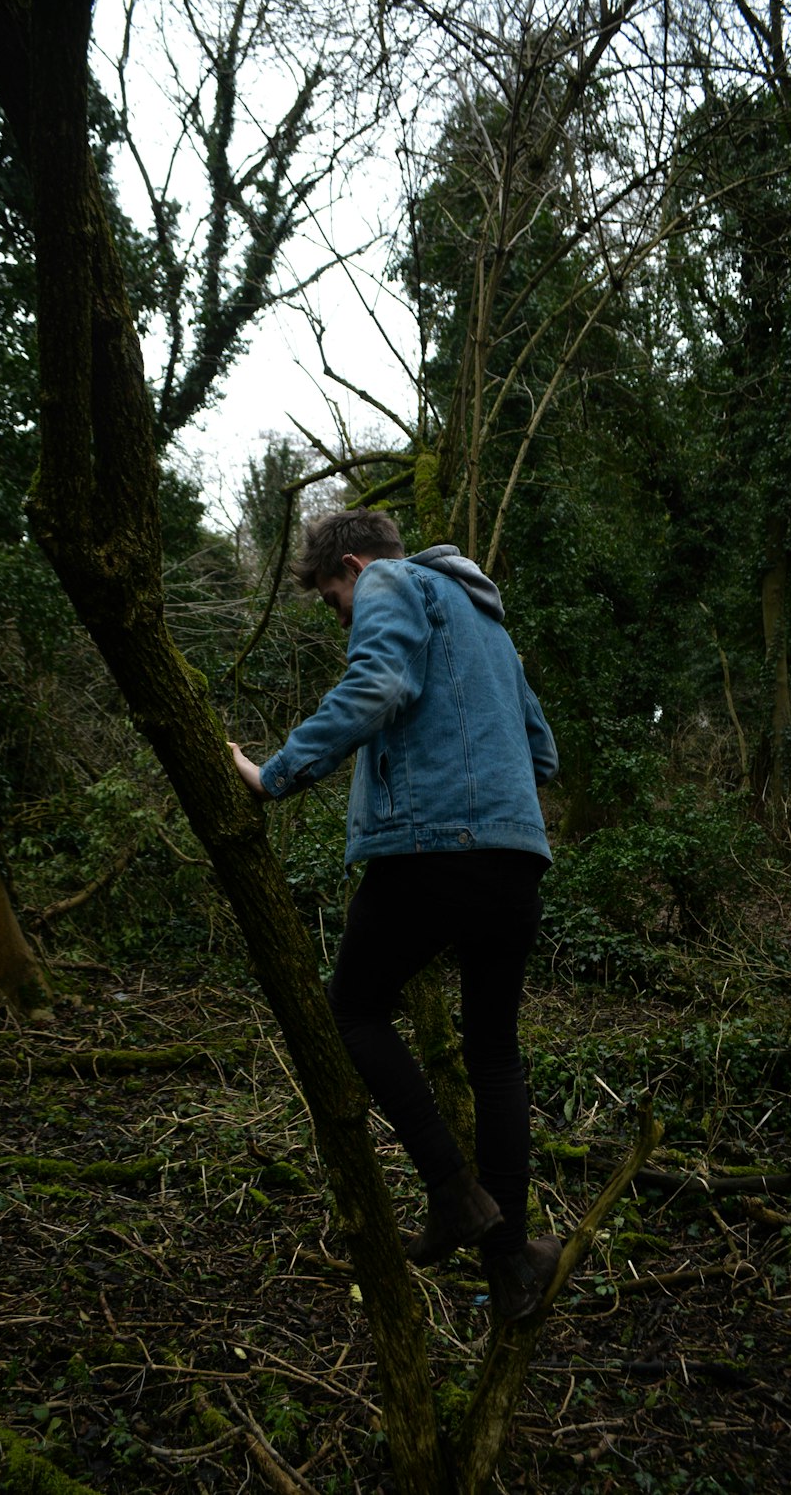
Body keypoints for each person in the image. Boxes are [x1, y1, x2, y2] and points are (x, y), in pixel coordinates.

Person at [230, 510, 561, 1320]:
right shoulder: (486, 617)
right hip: (516, 856)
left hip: (433, 849)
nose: (342, 612)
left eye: (333, 599)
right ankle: (513, 1264)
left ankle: (454, 1194)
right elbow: (542, 749)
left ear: (351, 564)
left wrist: (275, 772)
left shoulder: (390, 581)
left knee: (352, 1012)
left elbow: (376, 685)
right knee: (495, 1055)